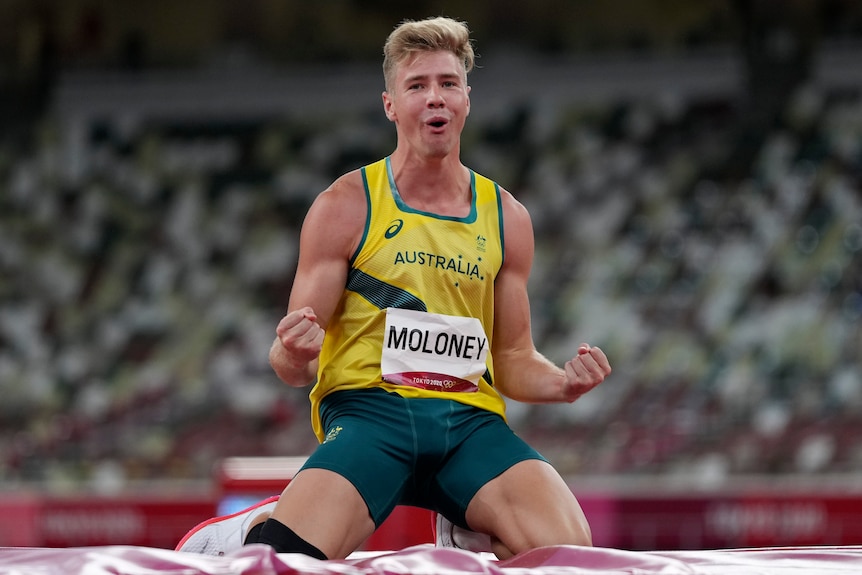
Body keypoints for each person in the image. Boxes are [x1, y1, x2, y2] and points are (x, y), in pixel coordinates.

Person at [177, 15, 611, 561]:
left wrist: (562, 385)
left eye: (448, 84)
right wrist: (292, 349)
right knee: (287, 560)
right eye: (418, 86)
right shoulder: (345, 205)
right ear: (391, 105)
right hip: (369, 415)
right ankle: (253, 527)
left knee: (573, 556)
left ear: (467, 100)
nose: (436, 98)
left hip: (467, 423)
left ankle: (467, 522)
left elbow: (513, 357)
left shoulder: (506, 218)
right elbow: (290, 366)